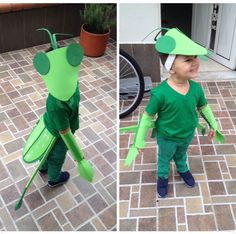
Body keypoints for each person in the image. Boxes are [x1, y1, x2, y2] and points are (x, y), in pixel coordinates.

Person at [122, 28, 224, 198]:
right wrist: (138, 141)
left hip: (187, 134)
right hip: (167, 136)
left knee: (182, 154)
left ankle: (182, 168)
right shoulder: (160, 93)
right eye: (188, 59)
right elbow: (147, 117)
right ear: (171, 68)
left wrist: (214, 124)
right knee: (164, 158)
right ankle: (162, 177)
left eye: (195, 58)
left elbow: (203, 108)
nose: (195, 62)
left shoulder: (196, 89)